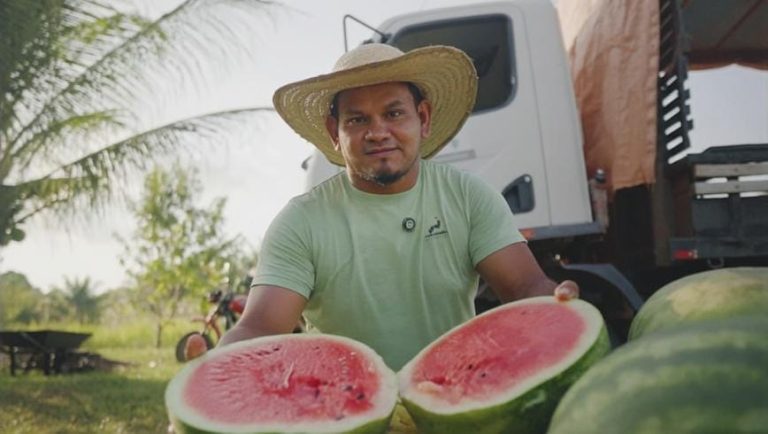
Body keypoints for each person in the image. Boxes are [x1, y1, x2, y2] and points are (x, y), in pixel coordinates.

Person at [188, 43, 578, 370]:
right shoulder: (301, 221)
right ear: (334, 134)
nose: (377, 133)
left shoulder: (469, 197)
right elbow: (260, 327)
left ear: (422, 118)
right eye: (357, 120)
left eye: (393, 113)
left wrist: (559, 304)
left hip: (452, 401)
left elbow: (525, 286)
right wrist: (215, 372)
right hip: (340, 411)